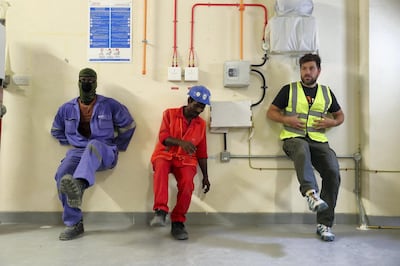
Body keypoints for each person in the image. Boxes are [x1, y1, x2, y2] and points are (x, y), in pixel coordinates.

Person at [51, 68, 136, 241]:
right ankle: (74, 223)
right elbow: (56, 130)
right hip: (79, 151)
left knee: (94, 144)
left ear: (96, 82)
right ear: (78, 82)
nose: (87, 83)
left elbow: (129, 126)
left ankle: (80, 185)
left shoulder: (110, 105)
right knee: (62, 174)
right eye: (83, 80)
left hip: (104, 150)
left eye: (90, 80)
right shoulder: (66, 108)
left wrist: (117, 146)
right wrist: (73, 141)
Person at [267, 53, 344, 242]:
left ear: (318, 70)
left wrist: (330, 122)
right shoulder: (289, 90)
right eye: (303, 68)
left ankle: (324, 225)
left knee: (333, 171)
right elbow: (271, 112)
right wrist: (286, 119)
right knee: (301, 148)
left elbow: (340, 116)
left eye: (311, 68)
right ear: (300, 70)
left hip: (318, 141)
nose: (307, 72)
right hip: (293, 139)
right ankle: (311, 193)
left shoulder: (326, 93)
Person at [149, 85, 211, 240]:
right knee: (161, 167)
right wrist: (181, 142)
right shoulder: (169, 114)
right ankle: (161, 211)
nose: (199, 110)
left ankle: (178, 222)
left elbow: (202, 152)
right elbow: (164, 138)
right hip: (165, 154)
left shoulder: (201, 124)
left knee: (187, 184)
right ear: (189, 100)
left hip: (186, 161)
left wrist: (205, 176)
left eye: (202, 107)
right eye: (197, 105)